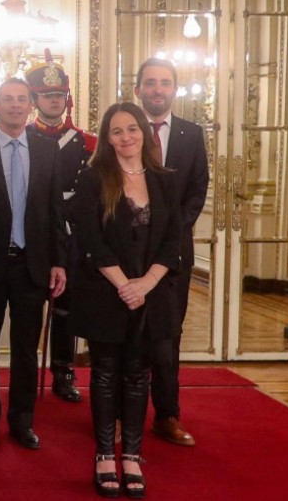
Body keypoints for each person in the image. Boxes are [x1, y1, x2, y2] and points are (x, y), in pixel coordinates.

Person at [68, 101, 181, 499]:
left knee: (137, 374)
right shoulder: (92, 178)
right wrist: (124, 285)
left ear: (143, 132)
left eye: (132, 128)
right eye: (116, 131)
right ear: (107, 138)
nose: (126, 137)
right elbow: (90, 240)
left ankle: (131, 456)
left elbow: (175, 240)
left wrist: (146, 284)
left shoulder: (165, 179)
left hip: (152, 294)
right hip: (106, 291)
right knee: (104, 373)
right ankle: (104, 455)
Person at [0, 79, 67, 452]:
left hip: (31, 265)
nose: (14, 105)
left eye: (21, 99)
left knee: (26, 350)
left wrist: (59, 262)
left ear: (30, 106)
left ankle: (22, 421)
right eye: (7, 99)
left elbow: (55, 210)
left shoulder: (47, 150)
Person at [134, 57, 209, 447]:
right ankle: (120, 416)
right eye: (150, 82)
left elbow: (197, 190)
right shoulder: (124, 130)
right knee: (126, 340)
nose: (157, 89)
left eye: (165, 82)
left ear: (174, 90)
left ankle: (166, 415)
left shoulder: (191, 134)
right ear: (138, 89)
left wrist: (168, 234)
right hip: (129, 254)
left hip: (173, 255)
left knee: (166, 341)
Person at [26, 55, 97, 403]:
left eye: (59, 95)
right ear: (34, 99)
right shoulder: (21, 138)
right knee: (28, 305)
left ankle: (64, 369)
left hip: (71, 234)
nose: (54, 101)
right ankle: (25, 372)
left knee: (66, 305)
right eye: (46, 95)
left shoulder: (87, 143)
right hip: (31, 233)